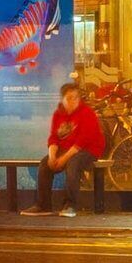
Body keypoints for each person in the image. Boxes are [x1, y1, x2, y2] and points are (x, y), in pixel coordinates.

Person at [36, 79, 106, 216]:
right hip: (66, 148)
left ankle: (70, 206)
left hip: (88, 150)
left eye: (76, 97)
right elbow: (53, 137)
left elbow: (82, 141)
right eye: (69, 98)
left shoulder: (87, 113)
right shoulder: (58, 114)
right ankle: (43, 206)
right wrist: (52, 156)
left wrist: (63, 159)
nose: (73, 101)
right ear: (62, 100)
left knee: (72, 163)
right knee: (44, 164)